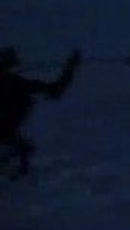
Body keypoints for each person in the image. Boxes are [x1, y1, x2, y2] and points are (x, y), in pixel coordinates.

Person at [0, 46, 82, 178]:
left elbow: (55, 90)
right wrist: (70, 68)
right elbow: (56, 91)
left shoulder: (17, 83)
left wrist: (70, 68)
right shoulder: (17, 83)